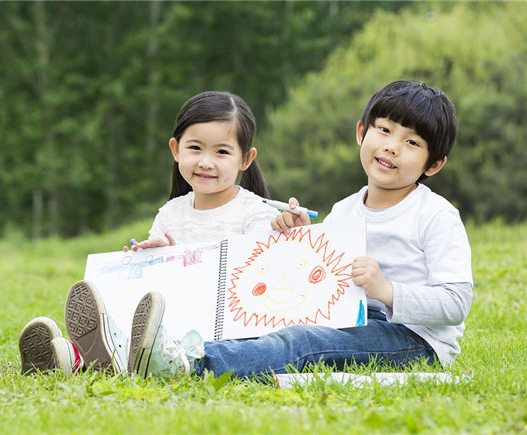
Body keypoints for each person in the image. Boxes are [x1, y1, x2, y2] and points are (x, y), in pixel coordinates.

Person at [131, 80, 473, 379]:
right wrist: (299, 241)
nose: (392, 146)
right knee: (280, 327)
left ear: (434, 164)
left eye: (412, 142)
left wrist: (387, 291)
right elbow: (321, 286)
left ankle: (191, 363)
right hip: (351, 321)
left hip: (412, 339)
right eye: (383, 130)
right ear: (361, 133)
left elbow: (456, 302)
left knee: (303, 342)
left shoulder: (435, 215)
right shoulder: (344, 210)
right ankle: (149, 350)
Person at [19, 91, 279, 375]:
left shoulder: (257, 214)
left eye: (222, 152)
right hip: (170, 322)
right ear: (176, 149)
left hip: (221, 333)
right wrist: (149, 260)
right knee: (139, 324)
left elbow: (256, 284)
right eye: (195, 148)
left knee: (151, 341)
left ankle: (94, 358)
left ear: (245, 158)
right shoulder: (171, 213)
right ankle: (74, 356)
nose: (206, 162)